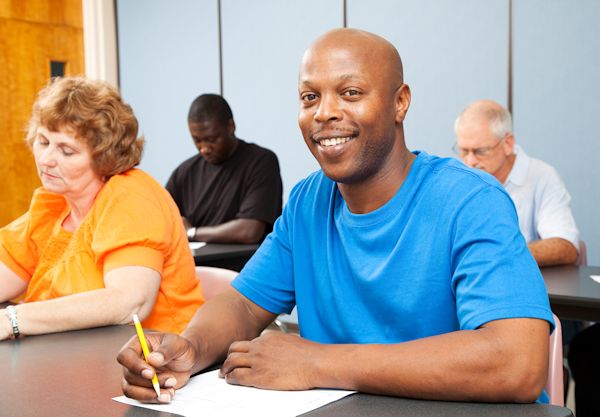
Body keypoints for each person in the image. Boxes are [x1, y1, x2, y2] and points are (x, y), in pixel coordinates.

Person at [118, 29, 553, 404]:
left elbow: (517, 363)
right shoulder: (309, 202)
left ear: (400, 103)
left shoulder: (469, 199)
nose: (323, 112)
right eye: (310, 96)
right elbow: (243, 304)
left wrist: (319, 363)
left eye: (350, 93)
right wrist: (191, 349)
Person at [0, 76, 203, 340]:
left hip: (154, 364)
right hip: (69, 358)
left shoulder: (131, 195)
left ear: (103, 156)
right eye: (43, 141)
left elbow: (129, 303)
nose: (47, 159)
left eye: (67, 151)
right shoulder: (54, 204)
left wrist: (13, 319)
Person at [453, 100, 579, 267]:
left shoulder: (542, 176)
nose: (469, 161)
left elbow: (566, 246)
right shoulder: (458, 178)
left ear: (508, 143)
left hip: (522, 282)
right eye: (463, 151)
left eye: (480, 151)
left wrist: (499, 254)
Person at [165, 94, 282, 243]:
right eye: (197, 140)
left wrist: (192, 233)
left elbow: (249, 231)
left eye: (211, 139)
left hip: (241, 264)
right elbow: (161, 221)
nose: (204, 149)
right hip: (193, 265)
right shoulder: (184, 172)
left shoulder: (261, 162)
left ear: (230, 126)